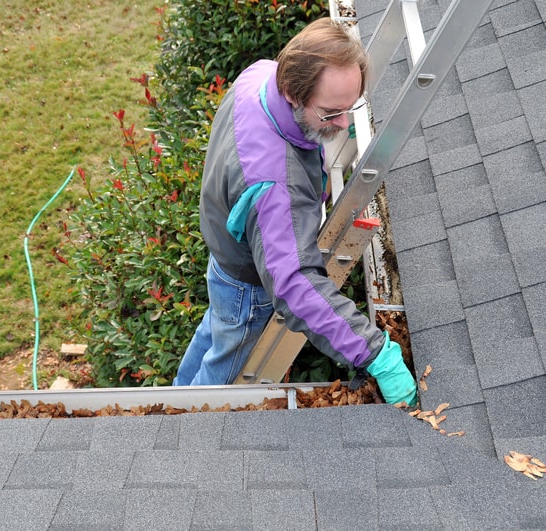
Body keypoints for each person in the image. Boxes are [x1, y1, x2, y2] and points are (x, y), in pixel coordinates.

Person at [172, 18, 417, 406]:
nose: (343, 123)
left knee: (214, 336)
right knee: (215, 384)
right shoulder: (276, 186)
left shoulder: (260, 76)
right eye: (330, 114)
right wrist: (374, 353)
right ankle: (178, 431)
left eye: (349, 108)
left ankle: (168, 401)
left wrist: (325, 130)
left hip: (225, 261)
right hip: (249, 288)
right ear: (292, 92)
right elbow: (293, 285)